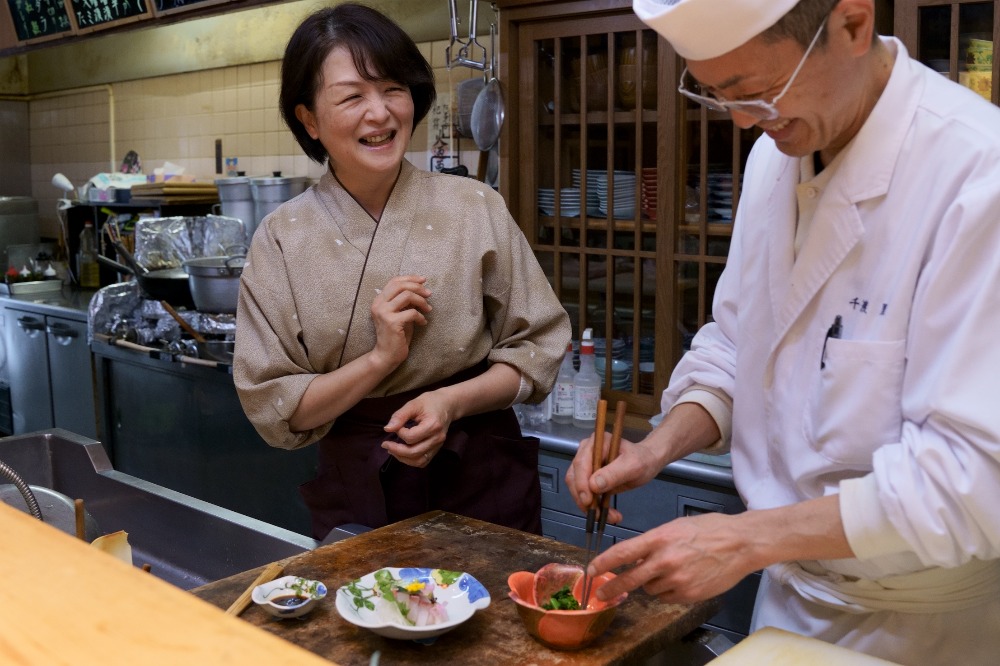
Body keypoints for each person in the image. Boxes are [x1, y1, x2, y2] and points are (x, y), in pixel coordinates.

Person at [567, 0, 1000, 662]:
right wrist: (653, 449)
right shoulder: (779, 154)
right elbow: (738, 345)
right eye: (718, 96)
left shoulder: (977, 174)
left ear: (853, 24)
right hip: (786, 606)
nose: (744, 123)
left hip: (923, 630)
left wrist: (745, 540)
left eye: (758, 93)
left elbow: (970, 480)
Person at [234, 3, 570, 541]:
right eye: (351, 96)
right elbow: (277, 407)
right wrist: (381, 358)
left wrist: (450, 401)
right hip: (361, 488)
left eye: (393, 88)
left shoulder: (474, 206)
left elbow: (538, 347)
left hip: (480, 474)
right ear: (309, 120)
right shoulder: (281, 238)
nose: (381, 113)